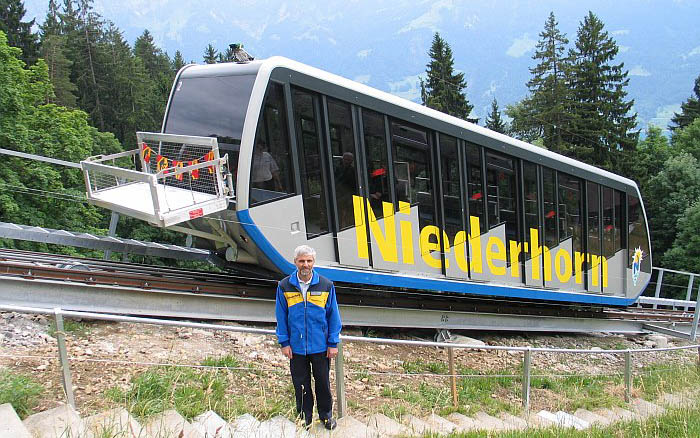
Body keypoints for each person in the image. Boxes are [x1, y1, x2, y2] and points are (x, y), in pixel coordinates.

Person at [275, 245, 342, 430]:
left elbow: (333, 316)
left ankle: (326, 417)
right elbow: (280, 316)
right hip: (295, 346)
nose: (305, 265)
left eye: (309, 261)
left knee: (322, 383)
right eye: (302, 261)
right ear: (295, 262)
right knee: (301, 384)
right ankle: (305, 418)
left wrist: (332, 342)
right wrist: (284, 342)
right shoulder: (284, 286)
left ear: (314, 262)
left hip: (320, 346)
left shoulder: (326, 285)